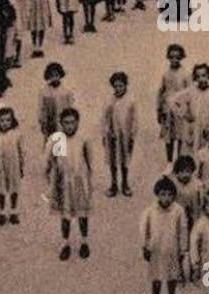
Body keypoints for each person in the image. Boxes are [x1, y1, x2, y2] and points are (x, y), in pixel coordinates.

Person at [46, 107, 94, 261]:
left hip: (80, 181)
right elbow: (50, 160)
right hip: (63, 183)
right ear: (61, 124)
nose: (69, 126)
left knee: (82, 213)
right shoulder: (55, 139)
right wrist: (53, 180)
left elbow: (90, 160)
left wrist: (89, 182)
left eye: (72, 123)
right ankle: (65, 243)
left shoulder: (84, 138)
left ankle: (84, 242)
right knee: (65, 215)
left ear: (78, 123)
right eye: (66, 123)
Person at [142, 177, 188, 294]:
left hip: (172, 249)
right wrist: (145, 246)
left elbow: (183, 229)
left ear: (174, 195)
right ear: (157, 194)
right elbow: (144, 229)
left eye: (169, 195)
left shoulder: (178, 211)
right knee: (156, 276)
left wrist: (182, 249)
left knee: (172, 276)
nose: (166, 198)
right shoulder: (150, 211)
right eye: (163, 194)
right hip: (156, 249)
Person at [101, 72, 137, 197]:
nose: (118, 89)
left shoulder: (130, 101)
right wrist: (105, 133)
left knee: (124, 160)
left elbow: (134, 119)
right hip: (112, 135)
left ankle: (125, 183)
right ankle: (113, 184)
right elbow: (104, 118)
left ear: (126, 86)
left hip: (125, 136)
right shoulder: (109, 101)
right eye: (116, 86)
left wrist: (132, 135)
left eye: (121, 86)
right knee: (113, 160)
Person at [0, 106, 25, 225]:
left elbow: (22, 151)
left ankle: (14, 211)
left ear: (12, 121)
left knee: (14, 187)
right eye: (2, 120)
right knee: (1, 189)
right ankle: (2, 212)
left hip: (13, 165)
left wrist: (21, 166)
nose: (5, 123)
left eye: (8, 120)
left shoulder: (16, 134)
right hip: (0, 166)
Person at [157, 43, 191, 164]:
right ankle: (169, 161)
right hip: (168, 110)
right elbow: (161, 92)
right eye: (172, 57)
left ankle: (179, 160)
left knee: (180, 136)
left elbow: (190, 93)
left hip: (180, 110)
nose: (174, 60)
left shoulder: (185, 74)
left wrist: (188, 111)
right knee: (169, 137)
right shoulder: (166, 74)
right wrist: (159, 110)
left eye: (177, 57)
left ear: (181, 57)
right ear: (168, 57)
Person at [37, 62, 75, 142]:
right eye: (52, 76)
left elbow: (71, 107)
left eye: (57, 75)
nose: (55, 78)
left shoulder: (66, 91)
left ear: (60, 76)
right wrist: (42, 121)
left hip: (63, 122)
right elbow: (41, 108)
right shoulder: (44, 92)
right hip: (50, 123)